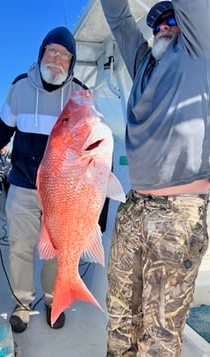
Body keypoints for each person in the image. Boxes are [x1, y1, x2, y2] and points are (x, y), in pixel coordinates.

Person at [0, 26, 88, 333]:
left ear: (72, 62)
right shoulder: (19, 87)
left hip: (61, 191)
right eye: (51, 51)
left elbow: (90, 141)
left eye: (65, 55)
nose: (57, 59)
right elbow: (1, 131)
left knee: (58, 247)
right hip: (24, 184)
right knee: (20, 247)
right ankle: (23, 303)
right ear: (41, 54)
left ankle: (54, 299)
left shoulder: (79, 94)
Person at [100, 0, 210, 356]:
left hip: (179, 213)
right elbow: (117, 18)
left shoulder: (197, 51)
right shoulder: (145, 63)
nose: (163, 26)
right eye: (157, 23)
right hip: (133, 207)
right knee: (119, 315)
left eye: (172, 20)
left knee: (160, 332)